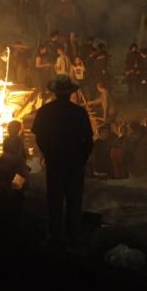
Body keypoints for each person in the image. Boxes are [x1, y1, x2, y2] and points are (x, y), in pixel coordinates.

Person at [31, 75, 94, 246]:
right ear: (71, 93)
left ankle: (54, 236)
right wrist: (81, 159)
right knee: (74, 201)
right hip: (74, 164)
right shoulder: (79, 112)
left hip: (55, 163)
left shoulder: (45, 111)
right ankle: (73, 236)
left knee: (54, 200)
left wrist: (49, 153)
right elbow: (88, 139)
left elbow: (39, 137)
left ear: (55, 93)